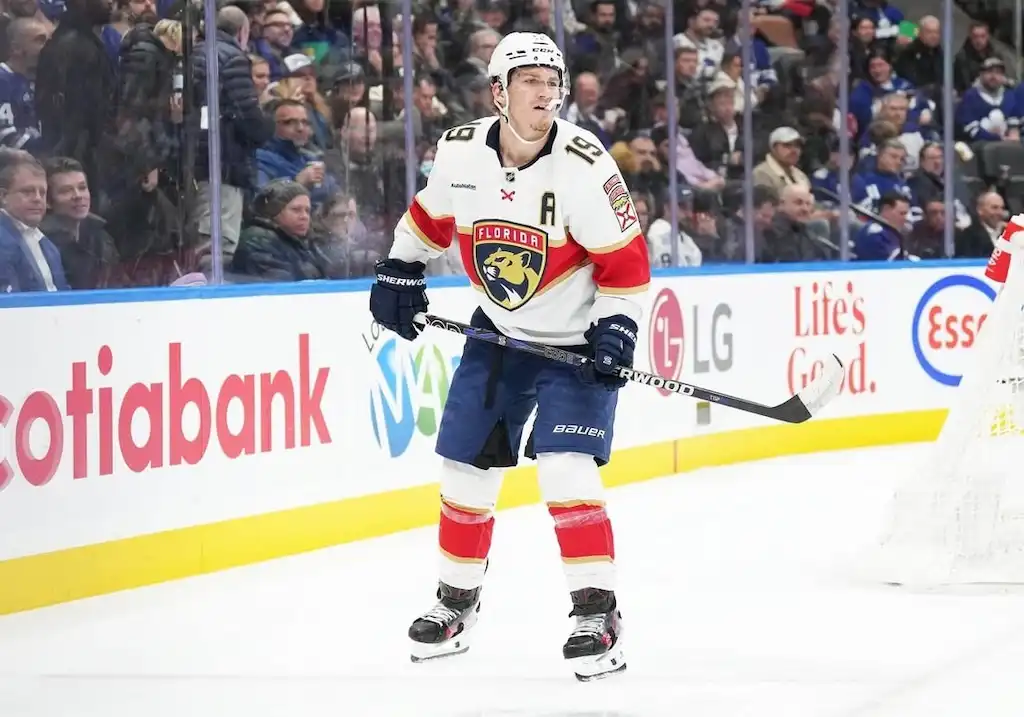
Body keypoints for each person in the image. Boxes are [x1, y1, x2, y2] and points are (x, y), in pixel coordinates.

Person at [368, 31, 650, 682]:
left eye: (553, 80)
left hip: (574, 343)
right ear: (498, 92)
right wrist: (397, 270)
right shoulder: (461, 151)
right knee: (465, 467)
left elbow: (626, 265)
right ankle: (455, 603)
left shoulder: (585, 162)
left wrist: (616, 329)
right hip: (497, 334)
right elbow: (428, 221)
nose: (545, 90)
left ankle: (597, 612)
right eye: (529, 79)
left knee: (565, 465)